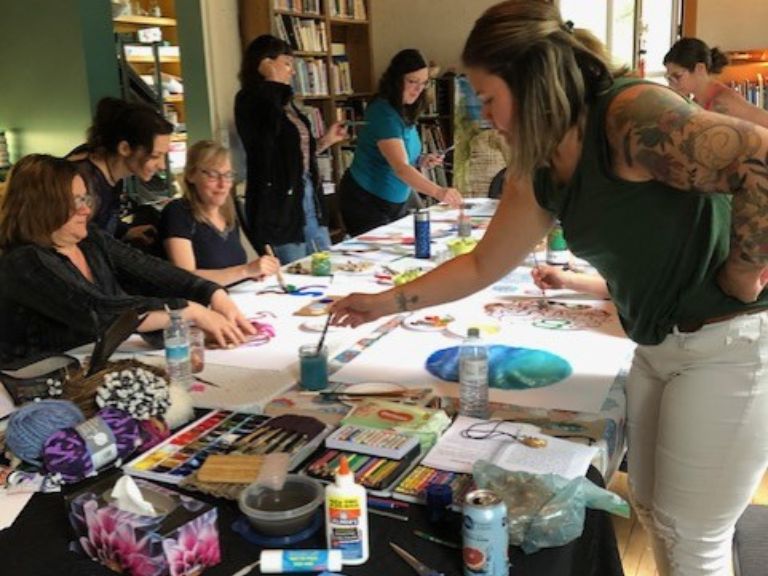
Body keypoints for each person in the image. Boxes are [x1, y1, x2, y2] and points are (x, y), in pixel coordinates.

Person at [331, 2, 768, 575]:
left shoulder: (629, 113)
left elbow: (760, 156)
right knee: (656, 511)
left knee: (694, 536)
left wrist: (742, 270)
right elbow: (482, 263)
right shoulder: (541, 164)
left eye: (489, 98)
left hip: (729, 343)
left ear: (531, 80)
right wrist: (382, 303)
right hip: (659, 346)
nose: (485, 116)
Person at [0, 154, 254, 363]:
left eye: (85, 198)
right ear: (44, 206)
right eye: (76, 201)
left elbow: (149, 269)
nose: (86, 209)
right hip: (39, 390)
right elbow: (101, 312)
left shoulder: (90, 240)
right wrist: (189, 312)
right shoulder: (23, 262)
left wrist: (212, 294)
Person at [235, 34, 347, 264]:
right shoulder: (250, 101)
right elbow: (266, 144)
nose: (292, 71)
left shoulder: (284, 102)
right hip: (279, 206)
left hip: (307, 195)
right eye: (286, 64)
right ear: (264, 63)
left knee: (326, 265)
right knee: (297, 274)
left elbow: (293, 153)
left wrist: (326, 140)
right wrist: (273, 83)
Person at [338, 49, 463, 237]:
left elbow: (404, 154)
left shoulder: (405, 109)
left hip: (395, 199)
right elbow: (401, 168)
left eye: (423, 83)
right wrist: (439, 192)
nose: (418, 89)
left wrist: (421, 160)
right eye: (412, 82)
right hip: (366, 200)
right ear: (396, 80)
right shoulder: (383, 113)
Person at [159, 140, 280, 286]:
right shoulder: (177, 212)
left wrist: (252, 274)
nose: (223, 185)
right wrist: (245, 271)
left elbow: (231, 271)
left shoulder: (228, 212)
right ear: (191, 175)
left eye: (228, 175)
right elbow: (185, 277)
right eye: (213, 175)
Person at [67, 97, 174, 248]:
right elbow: (86, 244)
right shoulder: (82, 181)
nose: (162, 166)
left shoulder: (110, 168)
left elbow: (100, 225)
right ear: (124, 148)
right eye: (155, 156)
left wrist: (125, 231)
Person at [664, 37, 768, 127]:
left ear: (700, 69)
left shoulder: (725, 102)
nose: (672, 83)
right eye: (669, 78)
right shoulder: (695, 102)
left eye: (677, 76)